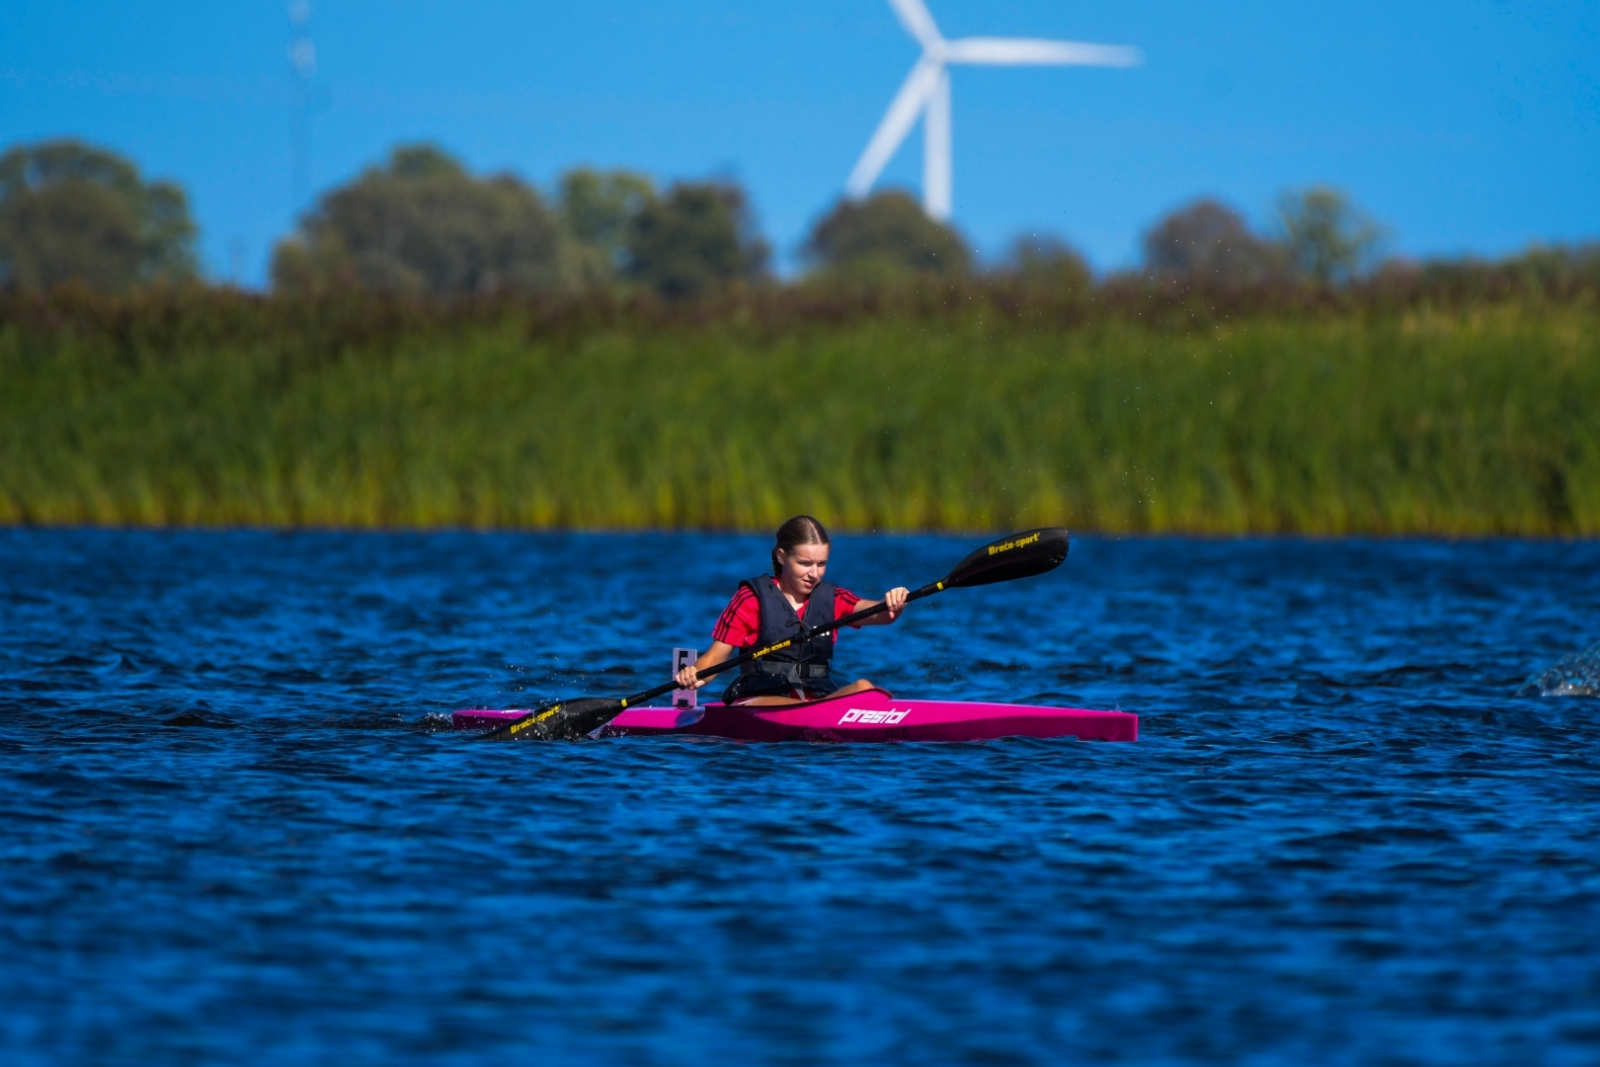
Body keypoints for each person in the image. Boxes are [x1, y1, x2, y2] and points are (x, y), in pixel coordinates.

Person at [674, 515, 909, 706]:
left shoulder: (832, 597)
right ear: (782, 557)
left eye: (821, 564)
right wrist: (693, 674)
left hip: (816, 699)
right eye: (805, 564)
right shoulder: (751, 599)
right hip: (757, 701)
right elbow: (716, 658)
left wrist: (894, 603)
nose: (814, 573)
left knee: (864, 688)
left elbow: (881, 613)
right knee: (791, 705)